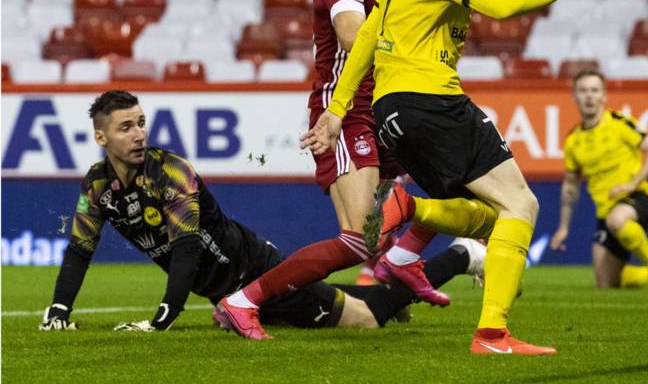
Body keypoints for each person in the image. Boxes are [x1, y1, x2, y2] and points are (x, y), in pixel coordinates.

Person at [302, 0, 608, 355]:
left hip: (392, 110)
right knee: (523, 205)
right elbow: (504, 4)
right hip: (432, 100)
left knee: (498, 217)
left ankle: (410, 208)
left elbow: (369, 37)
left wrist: (338, 109)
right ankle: (491, 333)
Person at [38, 90, 485, 336]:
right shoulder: (96, 187)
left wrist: (163, 319)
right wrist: (59, 308)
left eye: (141, 123)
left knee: (368, 319)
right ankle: (392, 280)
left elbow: (188, 248)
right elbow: (80, 249)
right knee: (341, 299)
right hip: (226, 293)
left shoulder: (170, 171)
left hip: (258, 274)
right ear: (101, 138)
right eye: (125, 127)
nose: (138, 134)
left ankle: (462, 255)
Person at [217, 0, 450, 340]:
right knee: (358, 238)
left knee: (443, 178)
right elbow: (351, 35)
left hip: (380, 108)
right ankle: (242, 301)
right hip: (346, 111)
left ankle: (397, 262)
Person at [549, 68, 648, 290]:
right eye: (583, 91)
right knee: (606, 284)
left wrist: (631, 184)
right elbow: (571, 186)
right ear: (574, 96)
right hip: (606, 211)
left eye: (594, 90)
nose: (589, 96)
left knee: (617, 220)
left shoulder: (619, 122)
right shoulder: (573, 140)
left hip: (638, 198)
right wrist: (563, 227)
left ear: (604, 96)